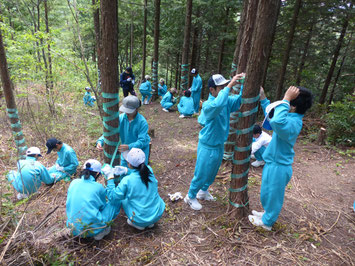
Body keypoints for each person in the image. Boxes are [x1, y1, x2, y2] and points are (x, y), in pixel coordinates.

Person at [249, 86, 313, 231]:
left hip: (280, 166)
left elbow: (277, 121)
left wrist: (286, 98)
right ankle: (266, 213)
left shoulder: (294, 123)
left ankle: (267, 222)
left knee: (274, 195)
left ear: (293, 106)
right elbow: (272, 115)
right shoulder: (289, 117)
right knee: (267, 192)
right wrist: (263, 98)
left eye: (289, 102)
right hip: (273, 163)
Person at [184, 73, 245, 210]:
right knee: (201, 172)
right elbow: (217, 105)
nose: (224, 88)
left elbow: (239, 101)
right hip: (207, 145)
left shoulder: (225, 100)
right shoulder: (208, 105)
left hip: (218, 144)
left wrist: (243, 85)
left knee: (212, 172)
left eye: (225, 85)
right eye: (221, 87)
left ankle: (203, 192)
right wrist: (229, 86)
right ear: (212, 90)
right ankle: (190, 196)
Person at [103, 148, 165, 230]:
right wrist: (127, 171)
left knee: (123, 199)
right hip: (157, 214)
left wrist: (110, 178)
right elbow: (138, 174)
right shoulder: (149, 170)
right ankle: (150, 222)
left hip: (139, 219)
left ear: (129, 163)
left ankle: (138, 224)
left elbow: (113, 197)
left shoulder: (127, 180)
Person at [66, 159, 120, 240]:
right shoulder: (98, 187)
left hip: (73, 228)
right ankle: (101, 231)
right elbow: (103, 205)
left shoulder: (74, 182)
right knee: (116, 201)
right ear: (98, 173)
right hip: (92, 230)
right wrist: (110, 179)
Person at [96, 95, 150, 166]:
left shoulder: (142, 122)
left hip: (139, 152)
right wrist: (100, 141)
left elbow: (142, 141)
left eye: (129, 111)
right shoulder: (121, 118)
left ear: (136, 109)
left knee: (138, 172)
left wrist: (129, 146)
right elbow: (110, 131)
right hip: (125, 151)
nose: (127, 113)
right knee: (124, 170)